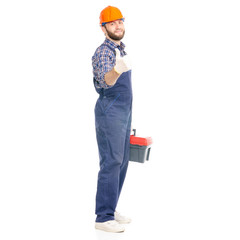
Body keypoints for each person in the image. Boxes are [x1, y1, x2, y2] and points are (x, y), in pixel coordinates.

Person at [92, 6, 133, 233]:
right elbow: (107, 81)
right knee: (111, 161)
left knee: (123, 160)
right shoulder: (104, 52)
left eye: (120, 22)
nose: (118, 26)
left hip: (124, 112)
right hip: (110, 112)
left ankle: (111, 207)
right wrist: (116, 70)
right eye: (112, 23)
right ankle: (103, 216)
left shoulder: (120, 49)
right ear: (104, 28)